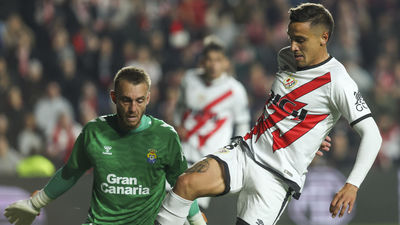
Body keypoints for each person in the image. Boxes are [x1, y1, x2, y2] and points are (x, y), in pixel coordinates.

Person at [155, 3, 382, 225]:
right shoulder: (287, 57)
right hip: (247, 152)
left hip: (276, 179)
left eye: (301, 40)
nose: (293, 46)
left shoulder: (338, 81)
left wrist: (352, 184)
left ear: (324, 37)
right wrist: (310, 135)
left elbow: (373, 135)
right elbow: (287, 109)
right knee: (185, 183)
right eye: (291, 37)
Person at [4, 66, 206, 225]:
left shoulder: (165, 136)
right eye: (126, 100)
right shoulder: (94, 132)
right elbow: (69, 173)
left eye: (139, 100)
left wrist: (197, 222)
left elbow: (183, 185)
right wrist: (34, 204)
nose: (133, 109)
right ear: (113, 98)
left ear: (148, 99)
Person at [173, 35, 250, 208]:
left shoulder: (234, 90)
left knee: (191, 207)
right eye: (209, 60)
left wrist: (234, 154)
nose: (213, 64)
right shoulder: (189, 79)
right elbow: (179, 106)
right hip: (183, 151)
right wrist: (177, 124)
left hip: (210, 158)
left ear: (226, 63)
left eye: (218, 60)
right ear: (202, 61)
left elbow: (243, 124)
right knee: (171, 204)